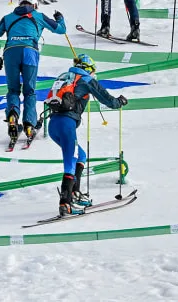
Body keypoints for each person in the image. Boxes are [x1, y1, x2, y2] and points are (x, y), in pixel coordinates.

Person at [45, 55, 127, 216]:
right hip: (66, 124)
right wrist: (119, 102)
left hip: (54, 124)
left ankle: (74, 193)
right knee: (70, 162)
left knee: (80, 155)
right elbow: (107, 99)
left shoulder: (65, 77)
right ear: (89, 69)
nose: (94, 74)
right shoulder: (85, 79)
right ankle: (65, 204)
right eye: (93, 71)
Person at [0, 0, 66, 146]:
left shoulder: (8, 17)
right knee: (29, 91)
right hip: (30, 52)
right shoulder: (39, 16)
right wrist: (60, 19)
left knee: (13, 90)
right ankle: (29, 125)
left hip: (11, 52)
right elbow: (61, 30)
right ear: (35, 4)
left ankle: (13, 115)